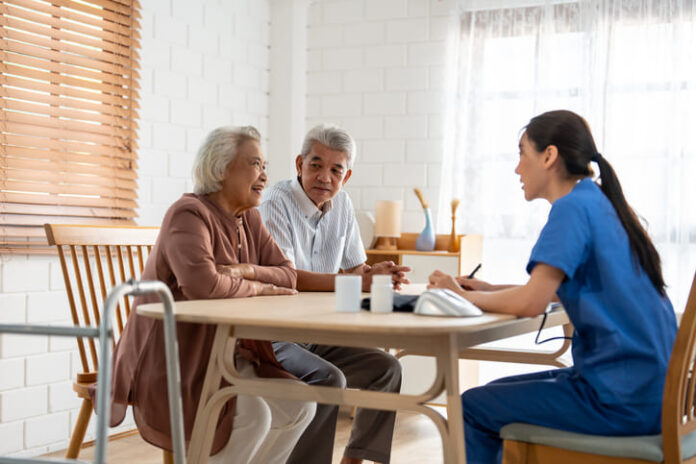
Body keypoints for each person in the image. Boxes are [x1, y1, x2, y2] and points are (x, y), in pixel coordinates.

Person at [427, 110, 678, 464]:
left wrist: (456, 294)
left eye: (521, 154)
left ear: (549, 156)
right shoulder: (602, 203)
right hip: (651, 393)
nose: (517, 169)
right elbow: (554, 289)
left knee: (469, 407)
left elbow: (532, 302)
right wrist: (484, 288)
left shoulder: (572, 209)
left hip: (620, 401)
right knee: (491, 393)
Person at [108, 126, 316, 464]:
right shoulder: (188, 214)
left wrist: (247, 271)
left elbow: (287, 273)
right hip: (176, 360)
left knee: (301, 405)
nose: (264, 175)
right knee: (255, 417)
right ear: (221, 169)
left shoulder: (249, 217)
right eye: (255, 164)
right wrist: (261, 288)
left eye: (264, 166)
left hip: (226, 356)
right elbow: (203, 285)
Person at [258, 124, 406, 464]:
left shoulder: (342, 205)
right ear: (299, 164)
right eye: (316, 165)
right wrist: (358, 281)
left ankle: (354, 459)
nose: (325, 176)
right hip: (274, 337)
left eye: (335, 169)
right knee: (328, 378)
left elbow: (355, 270)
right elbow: (287, 277)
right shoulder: (275, 202)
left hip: (316, 332)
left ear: (346, 175)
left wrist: (377, 275)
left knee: (387, 369)